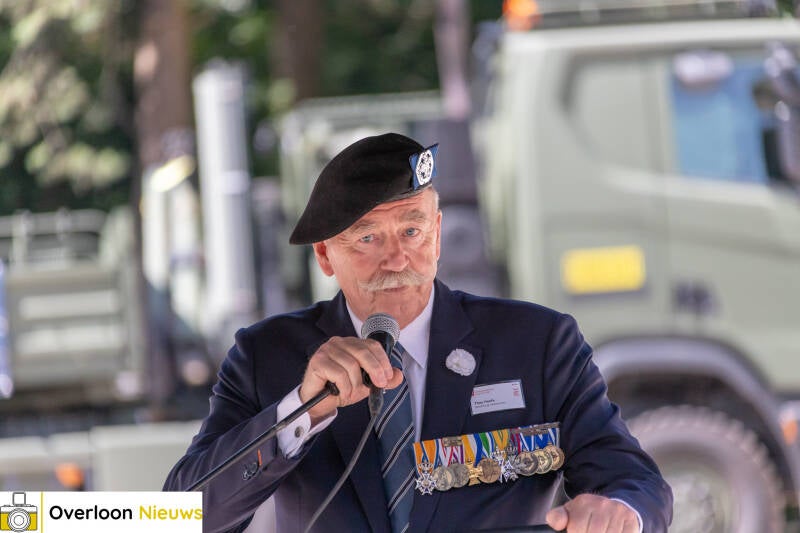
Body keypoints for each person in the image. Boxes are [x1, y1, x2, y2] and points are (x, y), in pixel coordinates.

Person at [164, 133, 672, 532]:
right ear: (324, 255)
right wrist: (299, 413)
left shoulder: (537, 343)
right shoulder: (267, 356)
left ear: (438, 233)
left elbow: (634, 480)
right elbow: (183, 514)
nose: (397, 258)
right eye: (367, 237)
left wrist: (620, 510)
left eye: (412, 230)